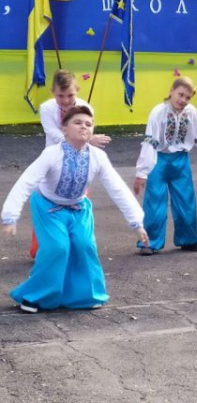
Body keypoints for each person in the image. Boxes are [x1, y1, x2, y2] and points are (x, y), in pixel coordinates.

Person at [2, 106, 148, 313]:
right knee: (57, 248)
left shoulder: (97, 156)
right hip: (47, 206)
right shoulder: (51, 154)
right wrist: (10, 216)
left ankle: (85, 295)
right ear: (64, 129)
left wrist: (137, 223)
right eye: (77, 122)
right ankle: (35, 297)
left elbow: (117, 188)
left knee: (85, 245)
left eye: (89, 124)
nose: (84, 127)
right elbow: (26, 182)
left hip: (79, 207)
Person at [134, 77, 197, 255]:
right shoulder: (158, 112)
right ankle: (149, 243)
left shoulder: (191, 113)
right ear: (171, 91)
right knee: (154, 203)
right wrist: (142, 172)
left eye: (187, 97)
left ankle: (188, 239)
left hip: (180, 161)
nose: (183, 100)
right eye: (180, 94)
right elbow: (150, 142)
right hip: (158, 161)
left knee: (186, 200)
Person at [34, 70, 111, 259]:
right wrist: (89, 139)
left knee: (78, 201)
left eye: (70, 95)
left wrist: (87, 140)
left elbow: (85, 135)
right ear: (53, 92)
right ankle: (42, 249)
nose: (66, 100)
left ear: (77, 90)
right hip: (53, 160)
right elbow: (55, 135)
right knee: (46, 202)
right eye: (60, 95)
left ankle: (78, 246)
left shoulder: (86, 108)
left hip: (78, 158)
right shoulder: (46, 108)